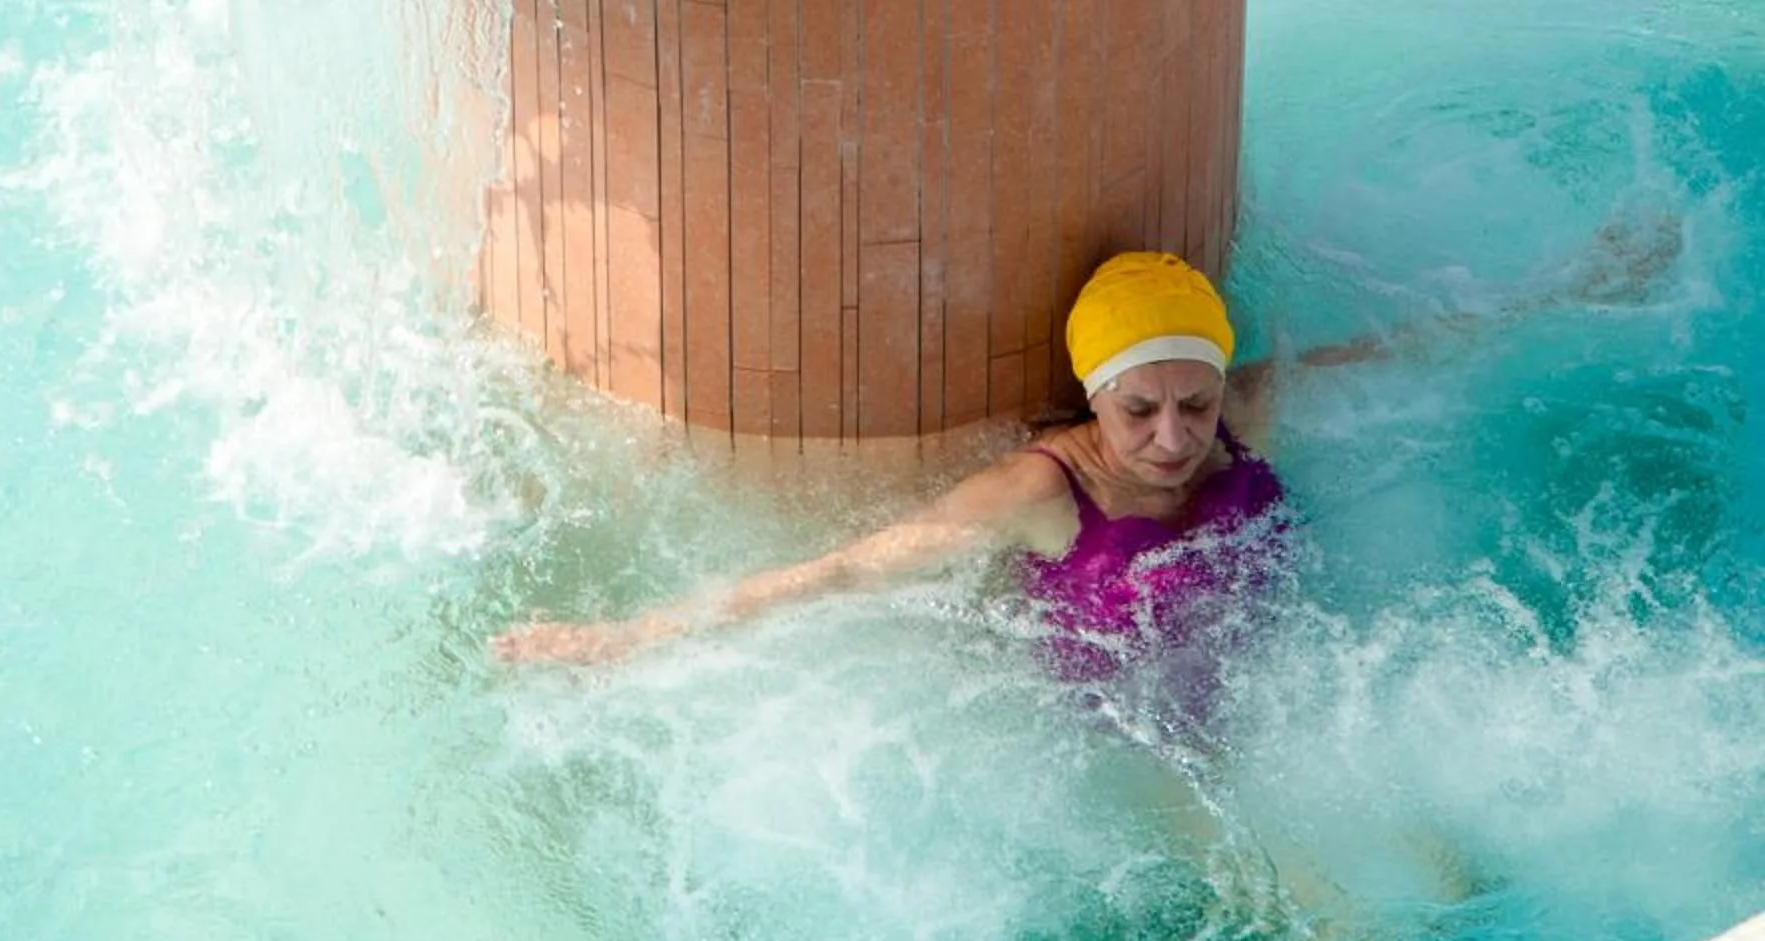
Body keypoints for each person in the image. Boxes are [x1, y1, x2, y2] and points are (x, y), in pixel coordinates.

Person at [495, 222, 1679, 672]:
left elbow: (1414, 351)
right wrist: (623, 639)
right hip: (1130, 734)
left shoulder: (1242, 415)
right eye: (1139, 412)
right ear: (1093, 402)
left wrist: (1575, 286)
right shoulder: (1035, 490)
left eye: (1194, 407)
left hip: (1277, 674)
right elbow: (845, 571)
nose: (1173, 439)